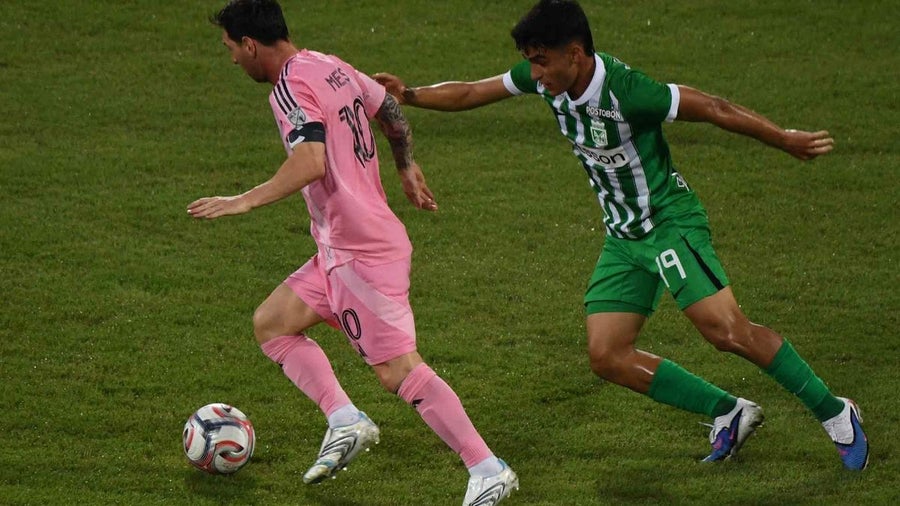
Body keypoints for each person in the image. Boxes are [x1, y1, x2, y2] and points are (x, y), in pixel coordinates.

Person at [374, 0, 868, 470]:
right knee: (607, 355)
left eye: (542, 61)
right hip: (623, 237)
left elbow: (714, 107)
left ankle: (835, 412)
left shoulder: (628, 92)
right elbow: (471, 92)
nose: (535, 73)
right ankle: (729, 411)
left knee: (728, 332)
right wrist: (409, 94)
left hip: (668, 224)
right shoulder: (546, 81)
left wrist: (782, 138)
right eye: (530, 62)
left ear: (575, 53)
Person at [189, 1, 518, 504]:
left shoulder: (288, 87)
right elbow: (388, 107)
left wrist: (244, 200)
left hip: (359, 253)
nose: (232, 58)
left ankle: (487, 468)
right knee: (272, 323)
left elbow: (310, 162)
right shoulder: (329, 64)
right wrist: (405, 164)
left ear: (250, 44)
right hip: (339, 246)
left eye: (231, 48)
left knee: (398, 371)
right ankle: (345, 419)